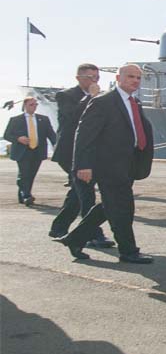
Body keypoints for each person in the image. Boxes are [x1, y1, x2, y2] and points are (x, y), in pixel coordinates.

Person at [54, 64, 154, 263]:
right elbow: (84, 134)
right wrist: (83, 165)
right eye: (130, 76)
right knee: (124, 207)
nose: (135, 80)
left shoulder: (135, 102)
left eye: (138, 78)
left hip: (128, 163)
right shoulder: (104, 101)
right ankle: (128, 251)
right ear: (118, 78)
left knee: (109, 206)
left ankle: (75, 239)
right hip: (108, 164)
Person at [48, 63, 114, 247]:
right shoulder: (66, 96)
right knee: (86, 194)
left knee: (78, 194)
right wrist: (90, 98)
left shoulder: (101, 98)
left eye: (97, 78)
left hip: (89, 151)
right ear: (79, 78)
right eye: (91, 78)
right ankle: (92, 234)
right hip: (70, 152)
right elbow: (71, 117)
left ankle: (59, 227)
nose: (95, 81)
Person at [4, 96, 56, 206]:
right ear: (25, 106)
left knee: (31, 174)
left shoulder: (43, 119)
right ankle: (27, 195)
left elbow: (51, 134)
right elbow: (7, 135)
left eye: (35, 104)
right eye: (31, 105)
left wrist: (56, 145)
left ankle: (23, 195)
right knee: (24, 173)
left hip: (38, 150)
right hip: (22, 151)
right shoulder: (16, 120)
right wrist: (18, 138)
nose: (34, 107)